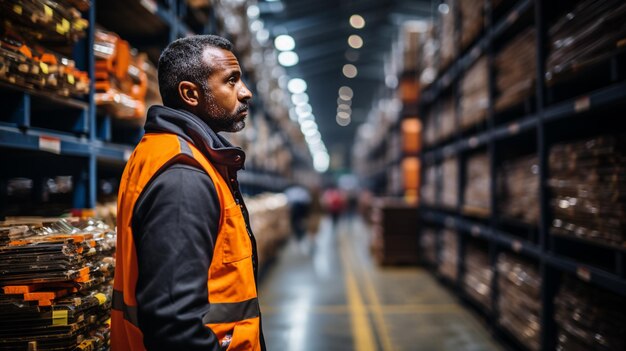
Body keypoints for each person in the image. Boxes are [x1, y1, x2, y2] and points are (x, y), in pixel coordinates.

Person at [111, 35, 265, 351]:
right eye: (231, 81)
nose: (245, 92)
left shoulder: (169, 153)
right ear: (190, 94)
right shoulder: (184, 176)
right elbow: (173, 325)